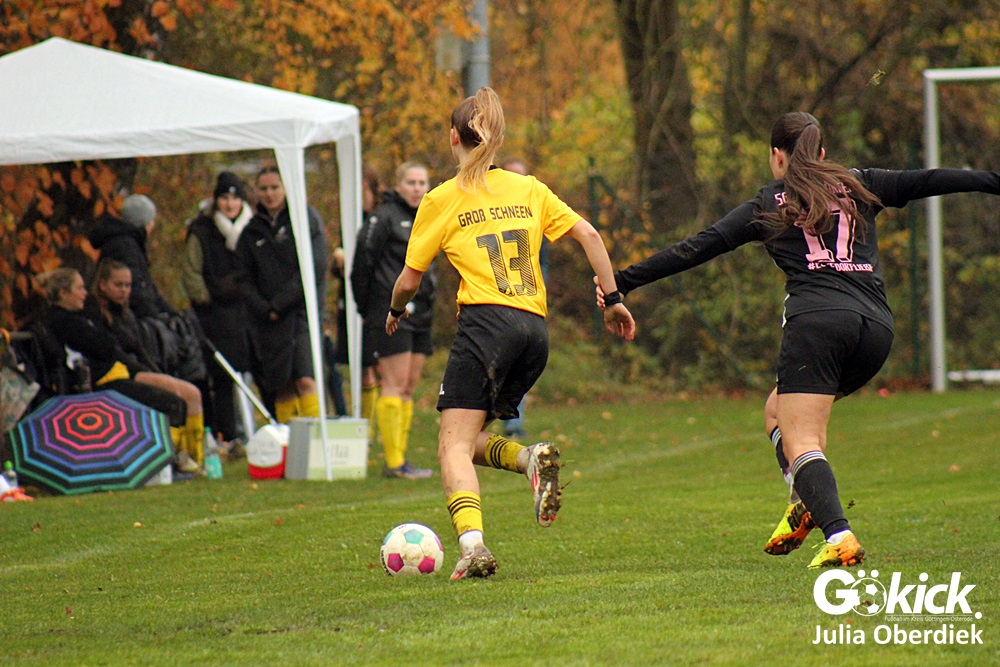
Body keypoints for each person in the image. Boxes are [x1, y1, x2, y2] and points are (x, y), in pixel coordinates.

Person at [601, 111, 1000, 569]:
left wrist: (622, 281)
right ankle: (804, 499)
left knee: (802, 438)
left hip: (817, 325)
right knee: (776, 411)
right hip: (875, 330)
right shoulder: (860, 183)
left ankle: (839, 534)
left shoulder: (769, 202)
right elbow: (933, 179)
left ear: (777, 156)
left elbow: (697, 247)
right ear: (822, 153)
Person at [386, 87, 635, 579]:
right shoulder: (529, 188)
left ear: (453, 138)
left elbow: (409, 280)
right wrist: (613, 299)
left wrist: (395, 310)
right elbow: (589, 234)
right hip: (534, 332)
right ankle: (528, 459)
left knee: (452, 447)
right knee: (468, 436)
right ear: (497, 142)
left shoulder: (441, 198)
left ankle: (473, 547)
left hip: (487, 326)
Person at [37, 267, 199, 473]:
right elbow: (105, 346)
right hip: (99, 383)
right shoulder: (64, 321)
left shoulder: (79, 317)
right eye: (79, 288)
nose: (85, 293)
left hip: (112, 375)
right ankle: (168, 462)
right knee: (170, 403)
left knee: (177, 397)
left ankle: (182, 457)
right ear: (63, 293)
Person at [354, 162, 437, 480]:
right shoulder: (383, 217)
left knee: (409, 386)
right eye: (411, 182)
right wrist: (371, 307)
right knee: (393, 382)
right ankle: (393, 463)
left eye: (422, 182)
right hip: (390, 311)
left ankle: (401, 459)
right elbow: (362, 264)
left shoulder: (429, 215)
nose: (417, 188)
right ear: (398, 185)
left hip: (422, 312)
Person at [236, 164, 328, 424]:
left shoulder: (305, 219)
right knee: (282, 384)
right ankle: (288, 440)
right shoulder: (251, 231)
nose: (269, 194)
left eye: (274, 187)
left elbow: (314, 266)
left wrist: (280, 304)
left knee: (305, 378)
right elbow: (243, 278)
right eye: (263, 188)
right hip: (269, 321)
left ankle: (315, 437)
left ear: (286, 188)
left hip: (300, 315)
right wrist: (264, 308)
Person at [181, 171, 255, 446]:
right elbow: (191, 272)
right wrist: (206, 299)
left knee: (255, 371)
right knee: (223, 377)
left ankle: (255, 427)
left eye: (235, 198)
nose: (230, 204)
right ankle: (229, 434)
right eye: (224, 198)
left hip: (250, 312)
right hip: (215, 316)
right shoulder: (201, 231)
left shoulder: (253, 227)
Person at [498, 156, 547, 439]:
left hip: (526, 301)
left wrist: (539, 290)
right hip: (495, 300)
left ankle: (513, 421)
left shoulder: (534, 210)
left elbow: (542, 259)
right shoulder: (489, 211)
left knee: (521, 362)